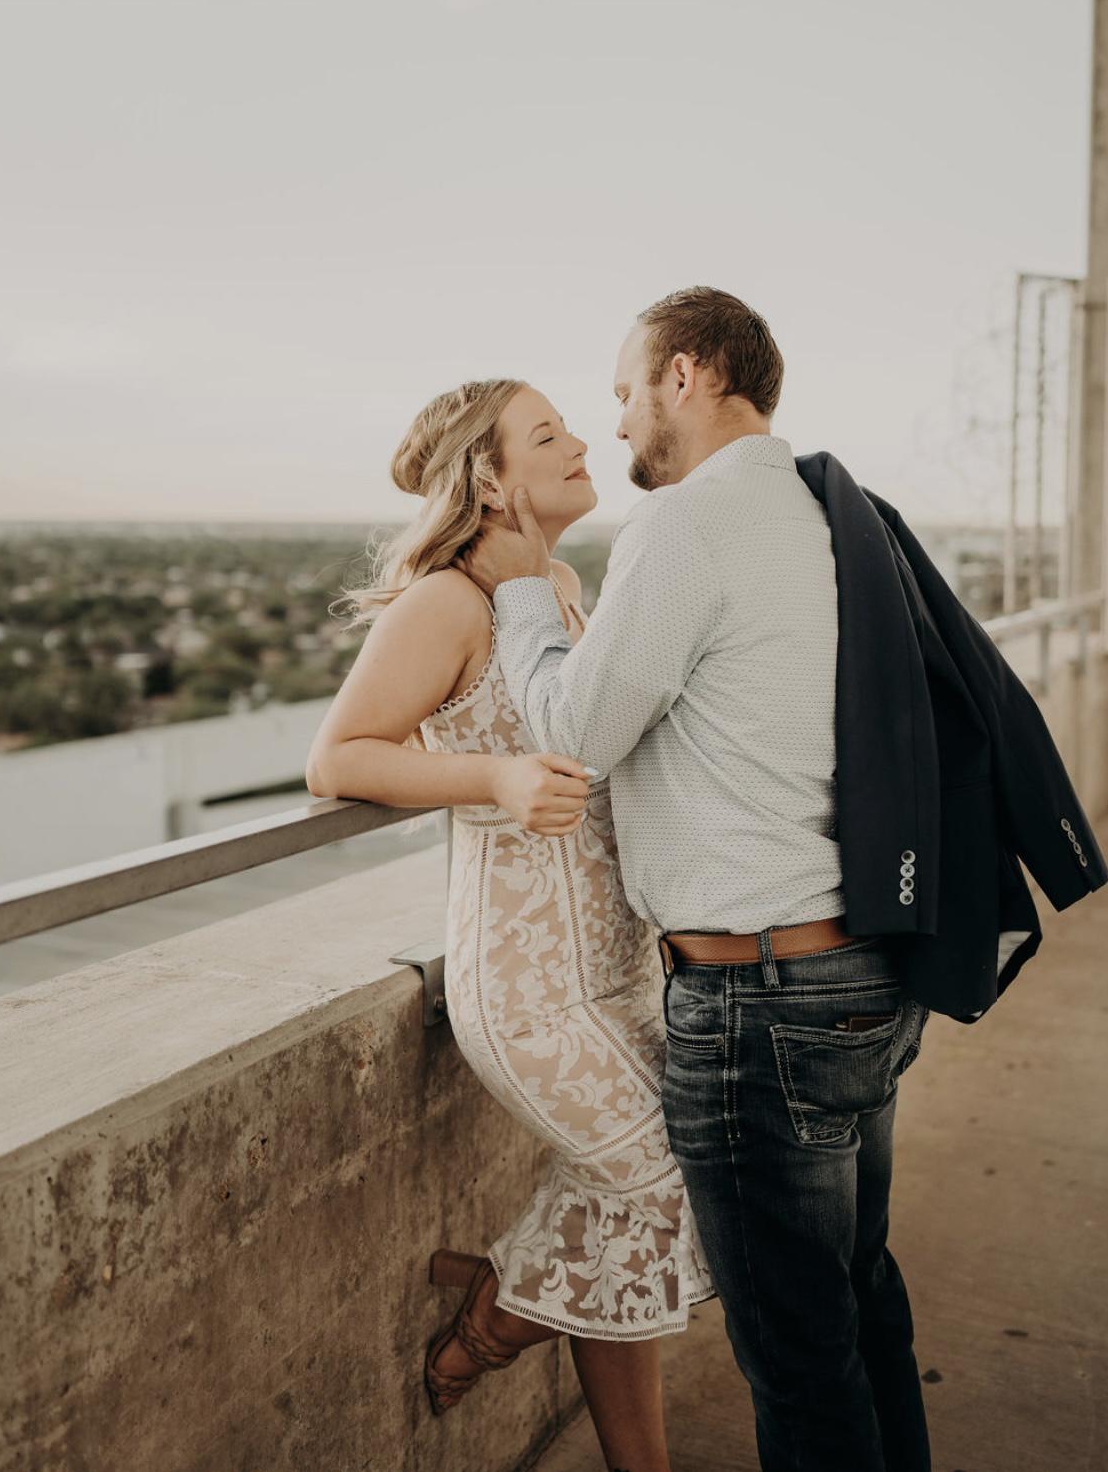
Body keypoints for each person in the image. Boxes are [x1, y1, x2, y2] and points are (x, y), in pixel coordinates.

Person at [460, 285, 933, 1472]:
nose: (615, 427)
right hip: (865, 966)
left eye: (623, 392)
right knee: (858, 1294)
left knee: (796, 1354)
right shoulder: (829, 510)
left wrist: (521, 583)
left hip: (762, 1001)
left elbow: (573, 723)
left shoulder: (686, 528)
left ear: (688, 374)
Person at [305, 376, 713, 1472]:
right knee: (671, 1189)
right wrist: (494, 774)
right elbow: (337, 757)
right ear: (489, 478)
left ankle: (596, 1413)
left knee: (629, 1214)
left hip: (622, 975)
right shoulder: (448, 602)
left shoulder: (566, 587)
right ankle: (494, 1315)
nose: (584, 440)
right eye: (548, 434)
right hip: (528, 993)